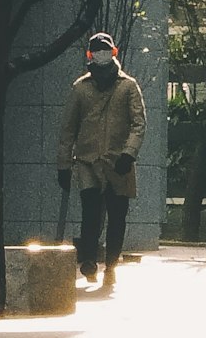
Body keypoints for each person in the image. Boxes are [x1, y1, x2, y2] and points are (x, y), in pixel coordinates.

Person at [56, 29, 146, 290]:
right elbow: (68, 129)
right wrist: (63, 165)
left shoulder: (128, 86)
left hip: (120, 163)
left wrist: (128, 153)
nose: (102, 56)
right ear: (90, 55)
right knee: (90, 214)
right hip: (88, 162)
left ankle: (112, 265)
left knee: (118, 217)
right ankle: (89, 260)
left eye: (106, 51)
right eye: (98, 52)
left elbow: (138, 124)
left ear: (114, 53)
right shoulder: (80, 88)